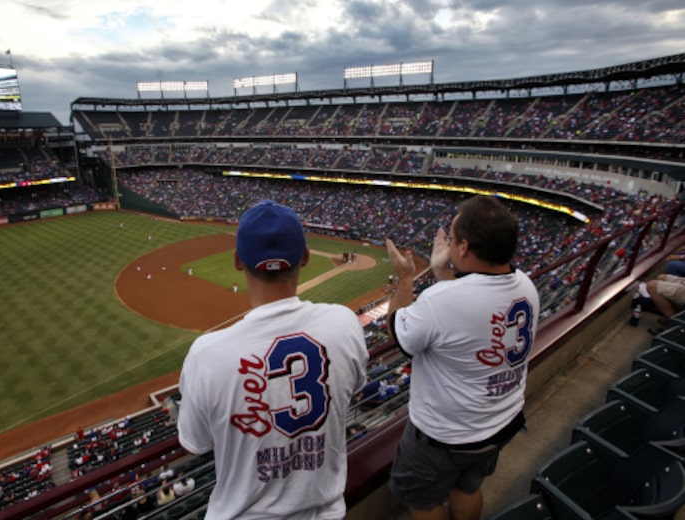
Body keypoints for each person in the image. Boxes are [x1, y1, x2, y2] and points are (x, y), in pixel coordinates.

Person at [177, 199, 369, 520]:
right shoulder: (344, 323)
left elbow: (194, 443)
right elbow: (355, 388)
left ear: (239, 261)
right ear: (305, 257)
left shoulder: (205, 354)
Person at [385, 195, 539, 520]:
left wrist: (405, 277)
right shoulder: (526, 286)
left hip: (445, 435)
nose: (449, 245)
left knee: (423, 502)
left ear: (465, 248)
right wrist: (442, 270)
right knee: (467, 488)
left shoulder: (441, 301)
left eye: (453, 240)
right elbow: (472, 309)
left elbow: (397, 334)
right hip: (500, 421)